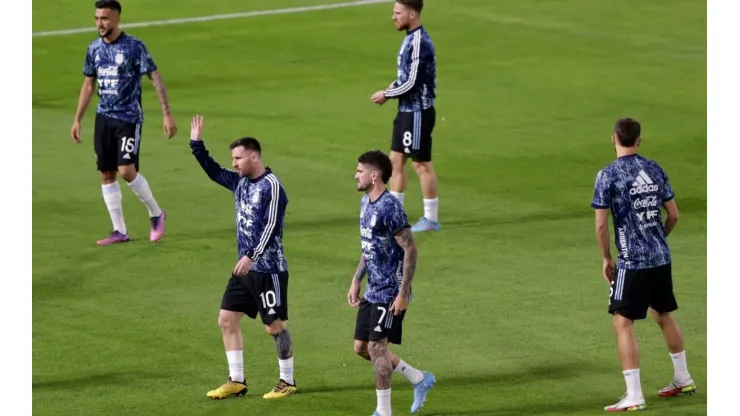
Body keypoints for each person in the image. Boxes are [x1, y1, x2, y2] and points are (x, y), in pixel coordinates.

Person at [591, 118, 696, 412]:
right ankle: (683, 377)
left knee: (622, 323)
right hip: (661, 258)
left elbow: (601, 226)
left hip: (632, 262)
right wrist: (658, 238)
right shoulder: (654, 169)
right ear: (639, 141)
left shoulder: (607, 175)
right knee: (663, 314)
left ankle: (634, 395)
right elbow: (673, 215)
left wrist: (606, 258)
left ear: (613, 139)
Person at [188, 115, 296, 400]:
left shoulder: (272, 186)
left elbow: (271, 226)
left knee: (274, 325)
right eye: (233, 159)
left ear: (254, 156)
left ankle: (287, 380)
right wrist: (196, 145)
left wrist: (252, 256)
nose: (234, 163)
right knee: (226, 319)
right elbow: (213, 171)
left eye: (238, 158)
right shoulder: (240, 182)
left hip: (268, 269)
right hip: (244, 269)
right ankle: (236, 380)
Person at [70, 0, 177, 245]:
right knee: (106, 174)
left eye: (105, 18)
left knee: (127, 170)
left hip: (128, 118)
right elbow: (88, 84)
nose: (100, 23)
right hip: (103, 118)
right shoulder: (94, 48)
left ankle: (157, 214)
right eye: (97, 18)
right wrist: (77, 119)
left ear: (117, 19)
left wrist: (166, 112)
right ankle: (120, 231)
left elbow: (154, 76)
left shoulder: (133, 47)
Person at [348, 150, 436, 416]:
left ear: (374, 175)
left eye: (360, 171)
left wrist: (403, 293)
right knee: (362, 349)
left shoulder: (390, 207)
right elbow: (369, 246)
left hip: (390, 290)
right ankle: (419, 379)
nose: (356, 175)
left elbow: (410, 249)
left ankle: (383, 412)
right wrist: (355, 279)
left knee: (377, 348)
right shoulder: (366, 203)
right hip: (372, 288)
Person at [370, 0, 439, 233]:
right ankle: (395, 217)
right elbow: (404, 78)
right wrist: (390, 89)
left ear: (412, 13)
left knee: (421, 164)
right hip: (406, 112)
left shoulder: (420, 42)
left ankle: (431, 218)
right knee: (395, 162)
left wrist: (387, 94)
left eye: (398, 12)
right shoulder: (410, 39)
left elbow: (412, 82)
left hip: (418, 113)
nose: (393, 16)